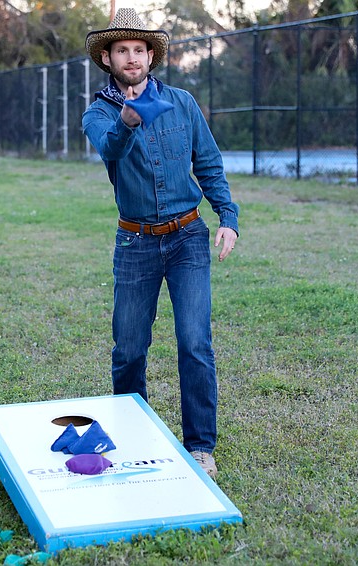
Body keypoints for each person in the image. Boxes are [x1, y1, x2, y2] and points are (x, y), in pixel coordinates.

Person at [82, 8, 239, 479]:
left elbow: (208, 163)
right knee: (128, 348)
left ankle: (200, 449)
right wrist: (127, 122)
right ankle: (131, 441)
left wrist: (227, 217)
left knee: (195, 343)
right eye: (121, 50)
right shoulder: (98, 113)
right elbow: (110, 152)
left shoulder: (183, 103)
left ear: (151, 56)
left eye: (138, 49)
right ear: (108, 59)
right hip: (135, 243)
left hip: (189, 236)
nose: (131, 57)